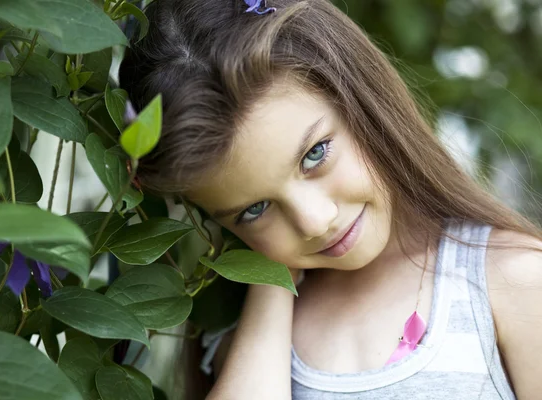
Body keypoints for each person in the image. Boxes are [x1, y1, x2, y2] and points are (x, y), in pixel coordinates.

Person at [118, 0, 542, 398]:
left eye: (315, 154)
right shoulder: (247, 343)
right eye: (254, 209)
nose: (316, 221)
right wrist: (272, 289)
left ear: (361, 100)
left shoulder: (512, 281)